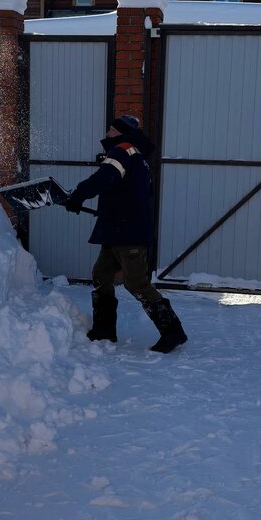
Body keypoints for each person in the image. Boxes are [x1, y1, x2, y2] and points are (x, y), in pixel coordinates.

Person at [64, 115, 187, 354]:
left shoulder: (123, 150)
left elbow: (104, 178)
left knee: (136, 284)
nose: (106, 133)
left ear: (119, 133)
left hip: (127, 232)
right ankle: (104, 330)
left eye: (110, 129)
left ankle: (173, 331)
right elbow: (125, 191)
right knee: (101, 274)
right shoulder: (137, 156)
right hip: (117, 229)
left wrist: (78, 195)